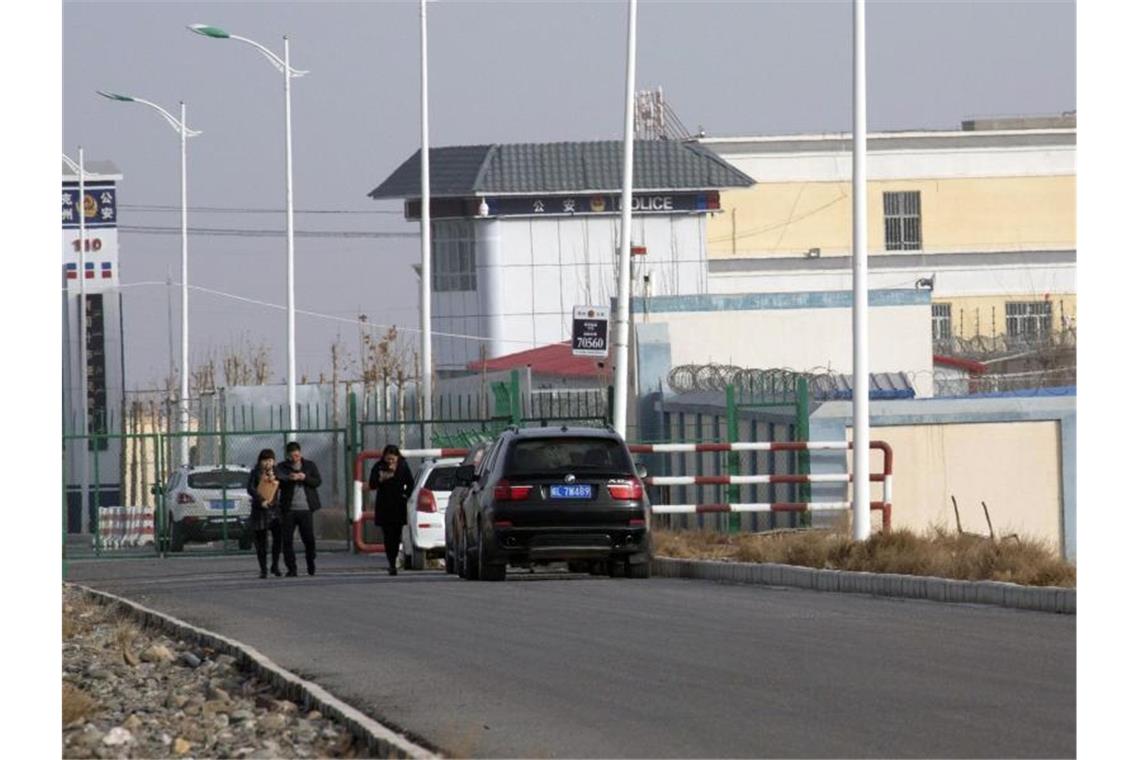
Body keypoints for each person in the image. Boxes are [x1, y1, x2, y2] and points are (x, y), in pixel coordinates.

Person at [275, 441, 322, 577]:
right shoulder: (282, 467)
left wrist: (304, 477)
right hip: (289, 509)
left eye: (297, 455)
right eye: (292, 456)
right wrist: (289, 478)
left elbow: (317, 481)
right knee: (287, 540)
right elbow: (278, 479)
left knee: (308, 539)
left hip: (306, 508)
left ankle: (310, 562)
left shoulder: (309, 465)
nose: (295, 458)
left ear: (300, 453)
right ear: (288, 456)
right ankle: (292, 568)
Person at [369, 444, 415, 576]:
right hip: (384, 504)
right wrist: (380, 479)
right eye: (388, 459)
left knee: (396, 534)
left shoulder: (403, 466)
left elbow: (410, 483)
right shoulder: (378, 466)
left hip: (398, 504)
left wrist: (406, 494)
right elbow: (372, 484)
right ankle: (391, 562)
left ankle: (394, 558)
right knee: (388, 536)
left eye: (392, 459)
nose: (390, 462)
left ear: (397, 457)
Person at [246, 448, 283, 579]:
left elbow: (283, 482)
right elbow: (250, 489)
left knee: (278, 539)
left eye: (271, 460)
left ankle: (275, 565)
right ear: (260, 461)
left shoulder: (276, 471)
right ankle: (263, 569)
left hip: (274, 510)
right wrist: (261, 500)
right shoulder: (255, 473)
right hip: (260, 510)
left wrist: (274, 476)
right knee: (261, 542)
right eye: (265, 460)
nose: (268, 463)